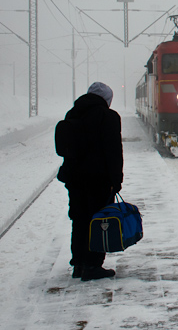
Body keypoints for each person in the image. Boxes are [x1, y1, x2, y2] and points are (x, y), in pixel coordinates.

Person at [56, 82, 123, 281]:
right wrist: (116, 180)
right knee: (98, 221)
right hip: (98, 180)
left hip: (75, 178)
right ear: (106, 99)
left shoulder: (73, 114)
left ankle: (78, 264)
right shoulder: (107, 117)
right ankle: (93, 265)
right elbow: (113, 152)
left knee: (79, 219)